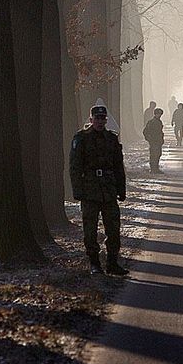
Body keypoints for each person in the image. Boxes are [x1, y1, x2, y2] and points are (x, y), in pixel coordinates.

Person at [69, 105, 129, 276]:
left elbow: (118, 166)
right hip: (89, 190)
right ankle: (94, 263)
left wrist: (121, 189)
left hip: (109, 190)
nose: (100, 122)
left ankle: (112, 263)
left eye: (103, 119)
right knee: (90, 229)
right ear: (91, 120)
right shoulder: (81, 139)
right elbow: (74, 167)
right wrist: (77, 190)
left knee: (113, 228)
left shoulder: (111, 139)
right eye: (97, 118)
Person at [143, 107, 164, 173]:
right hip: (153, 141)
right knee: (153, 154)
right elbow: (145, 131)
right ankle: (153, 169)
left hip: (158, 141)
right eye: (158, 114)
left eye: (160, 114)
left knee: (158, 154)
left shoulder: (159, 122)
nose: (159, 115)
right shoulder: (151, 122)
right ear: (155, 114)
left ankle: (156, 168)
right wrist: (149, 139)